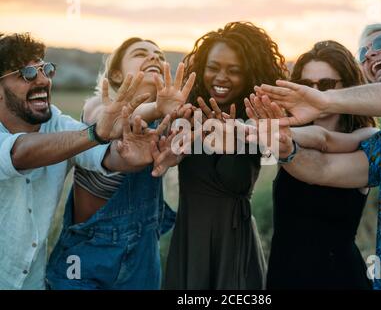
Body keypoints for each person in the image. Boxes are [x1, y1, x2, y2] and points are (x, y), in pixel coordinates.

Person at [256, 24, 381, 290]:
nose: (369, 54)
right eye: (363, 52)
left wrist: (324, 101)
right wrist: (280, 145)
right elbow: (322, 169)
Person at [0, 33, 155, 289]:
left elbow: (100, 153)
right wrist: (96, 133)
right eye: (26, 73)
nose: (42, 80)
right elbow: (19, 154)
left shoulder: (57, 124)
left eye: (46, 69)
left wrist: (131, 157)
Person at [46, 38, 193, 290]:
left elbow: (178, 151)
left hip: (143, 258)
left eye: (159, 55)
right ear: (116, 73)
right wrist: (157, 108)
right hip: (87, 257)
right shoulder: (98, 107)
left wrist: (176, 155)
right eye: (140, 53)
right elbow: (107, 124)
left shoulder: (167, 120)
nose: (154, 58)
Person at [164, 21, 288, 289]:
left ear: (250, 75)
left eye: (234, 71)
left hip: (232, 244)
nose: (221, 77)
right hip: (189, 238)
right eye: (213, 67)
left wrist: (231, 144)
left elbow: (238, 183)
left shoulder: (255, 123)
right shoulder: (186, 114)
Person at [248, 40, 378, 289]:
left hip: (340, 280)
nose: (316, 93)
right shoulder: (286, 134)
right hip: (283, 278)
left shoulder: (367, 138)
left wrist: (276, 133)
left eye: (327, 85)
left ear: (348, 87)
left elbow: (323, 139)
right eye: (307, 85)